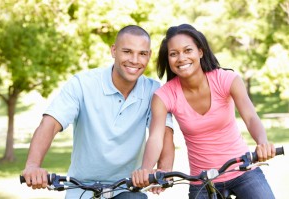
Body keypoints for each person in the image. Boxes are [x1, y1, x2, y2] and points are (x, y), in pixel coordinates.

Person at [22, 25, 174, 199]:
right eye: (127, 51)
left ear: (149, 55)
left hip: (126, 188)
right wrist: (33, 165)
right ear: (113, 51)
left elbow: (164, 133)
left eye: (142, 54)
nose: (134, 60)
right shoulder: (82, 84)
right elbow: (49, 124)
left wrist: (163, 170)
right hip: (82, 189)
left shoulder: (153, 90)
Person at [132, 24, 276, 199]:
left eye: (187, 50)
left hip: (243, 172)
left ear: (200, 51)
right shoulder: (164, 96)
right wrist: (146, 169)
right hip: (202, 181)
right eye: (173, 54)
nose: (181, 58)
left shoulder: (226, 79)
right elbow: (156, 137)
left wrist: (262, 142)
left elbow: (251, 117)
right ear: (168, 59)